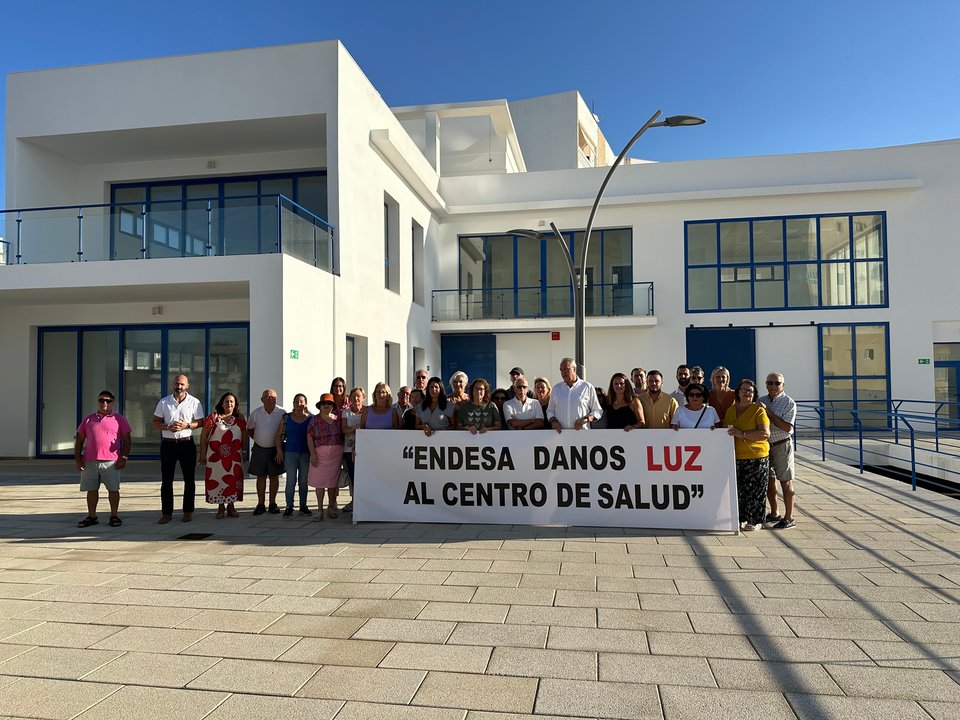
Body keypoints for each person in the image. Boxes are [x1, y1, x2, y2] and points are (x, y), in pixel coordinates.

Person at [74, 390, 131, 528]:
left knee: (113, 489)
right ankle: (92, 516)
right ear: (97, 402)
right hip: (90, 461)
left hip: (111, 462)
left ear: (113, 403)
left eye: (108, 401)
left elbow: (127, 440)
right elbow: (80, 440)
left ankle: (114, 516)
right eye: (101, 400)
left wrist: (123, 457)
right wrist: (78, 458)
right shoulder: (88, 419)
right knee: (91, 489)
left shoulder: (119, 419)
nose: (104, 403)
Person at [152, 374, 204, 524]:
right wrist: (167, 426)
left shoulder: (194, 402)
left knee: (189, 479)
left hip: (186, 443)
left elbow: (200, 422)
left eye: (182, 384)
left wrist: (186, 425)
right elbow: (155, 422)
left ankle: (188, 511)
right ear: (173, 384)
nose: (179, 387)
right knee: (166, 480)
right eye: (177, 384)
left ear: (187, 386)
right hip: (168, 444)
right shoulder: (164, 402)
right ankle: (167, 513)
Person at [724, 379, 771, 531]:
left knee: (756, 490)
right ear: (737, 392)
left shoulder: (758, 410)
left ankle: (756, 520)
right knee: (740, 490)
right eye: (744, 390)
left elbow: (765, 433)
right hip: (736, 457)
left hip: (756, 457)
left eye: (750, 391)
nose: (747, 393)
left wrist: (742, 434)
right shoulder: (731, 410)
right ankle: (742, 517)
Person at [199, 392, 247, 519]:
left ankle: (231, 506)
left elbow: (244, 436)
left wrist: (244, 452)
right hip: (216, 458)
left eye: (232, 401)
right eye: (227, 401)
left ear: (235, 404)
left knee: (232, 480)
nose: (229, 404)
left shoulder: (240, 419)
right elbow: (204, 435)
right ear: (221, 403)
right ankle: (220, 507)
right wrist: (202, 454)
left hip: (234, 458)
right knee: (218, 480)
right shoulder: (213, 417)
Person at [760, 372, 798, 529]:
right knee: (769, 481)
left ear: (783, 385)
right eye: (770, 383)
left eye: (777, 383)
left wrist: (768, 413)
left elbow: (787, 427)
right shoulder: (761, 400)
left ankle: (789, 517)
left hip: (781, 444)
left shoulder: (789, 403)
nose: (773, 386)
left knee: (786, 481)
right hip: (766, 445)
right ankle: (774, 512)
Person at [247, 388, 285, 515]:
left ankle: (272, 503)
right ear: (262, 399)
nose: (270, 399)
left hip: (275, 449)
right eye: (267, 397)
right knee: (260, 476)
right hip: (259, 449)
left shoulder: (282, 412)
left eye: (273, 397)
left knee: (274, 477)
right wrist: (260, 440)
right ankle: (260, 504)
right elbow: (250, 430)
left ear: (276, 399)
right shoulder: (256, 413)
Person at [307, 393, 343, 519]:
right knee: (319, 483)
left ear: (333, 405)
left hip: (336, 455)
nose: (326, 405)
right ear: (320, 406)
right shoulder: (314, 420)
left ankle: (331, 507)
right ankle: (319, 510)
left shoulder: (338, 419)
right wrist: (313, 455)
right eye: (324, 403)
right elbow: (309, 437)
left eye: (329, 403)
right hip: (319, 454)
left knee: (333, 483)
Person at [276, 393, 312, 517]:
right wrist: (279, 451)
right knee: (290, 481)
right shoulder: (286, 418)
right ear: (293, 403)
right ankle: (289, 506)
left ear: (305, 403)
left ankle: (303, 506)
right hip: (290, 453)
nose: (299, 403)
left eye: (301, 401)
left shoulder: (311, 418)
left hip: (305, 453)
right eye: (296, 401)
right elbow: (278, 435)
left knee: (303, 481)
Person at [547, 358, 602, 432]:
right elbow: (550, 410)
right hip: (560, 436)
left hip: (582, 436)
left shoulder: (587, 387)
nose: (563, 372)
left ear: (574, 369)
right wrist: (553, 421)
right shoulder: (556, 389)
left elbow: (597, 411)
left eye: (566, 369)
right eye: (561, 370)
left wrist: (585, 419)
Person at [339, 387, 366, 514]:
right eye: (353, 396)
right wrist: (355, 428)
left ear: (363, 398)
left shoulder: (367, 411)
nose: (356, 398)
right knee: (352, 476)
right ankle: (354, 500)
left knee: (364, 475)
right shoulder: (346, 412)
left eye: (358, 396)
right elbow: (344, 429)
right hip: (349, 449)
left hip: (365, 449)